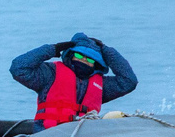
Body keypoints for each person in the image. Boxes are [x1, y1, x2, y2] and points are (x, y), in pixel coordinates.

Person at [9, 32, 137, 130]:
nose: (83, 60)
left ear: (96, 63)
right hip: (47, 135)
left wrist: (107, 51)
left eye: (90, 59)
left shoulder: (101, 85)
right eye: (79, 56)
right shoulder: (49, 74)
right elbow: (18, 68)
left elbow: (129, 81)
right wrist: (52, 49)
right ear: (71, 55)